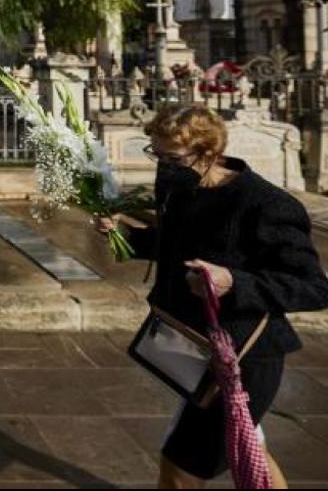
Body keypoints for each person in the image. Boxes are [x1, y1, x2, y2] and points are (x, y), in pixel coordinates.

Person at [94, 104, 328, 489]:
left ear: (209, 153)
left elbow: (314, 287)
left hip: (243, 359)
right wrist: (123, 235)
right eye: (156, 154)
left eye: (172, 158)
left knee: (180, 468)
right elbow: (176, 243)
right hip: (195, 346)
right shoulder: (180, 184)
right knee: (249, 451)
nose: (163, 166)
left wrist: (233, 282)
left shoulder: (266, 205)